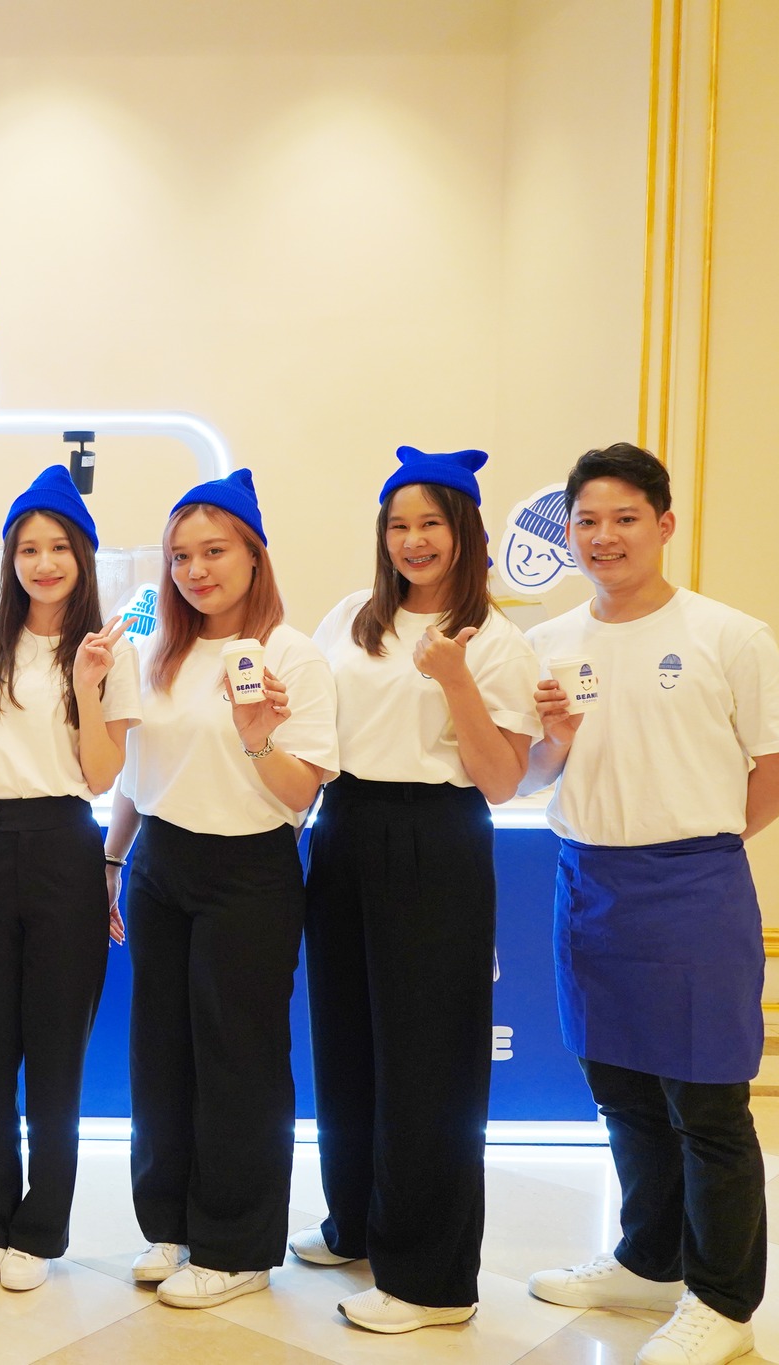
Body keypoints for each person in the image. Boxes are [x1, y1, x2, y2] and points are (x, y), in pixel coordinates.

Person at [521, 444, 779, 1365]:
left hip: (693, 887)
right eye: (587, 520)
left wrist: (704, 837)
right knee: (622, 1091)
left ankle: (723, 1301)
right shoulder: (549, 642)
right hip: (587, 881)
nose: (604, 536)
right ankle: (649, 1260)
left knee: (707, 1102)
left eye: (625, 518)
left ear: (665, 524)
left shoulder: (729, 634)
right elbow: (526, 773)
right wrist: (551, 745)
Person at [296, 446, 541, 1333]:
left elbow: (502, 778)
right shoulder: (351, 618)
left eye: (431, 523)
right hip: (345, 826)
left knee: (429, 1061)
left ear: (464, 532)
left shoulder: (497, 639)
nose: (413, 540)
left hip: (436, 835)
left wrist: (455, 679)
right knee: (348, 1041)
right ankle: (358, 1223)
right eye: (398, 525)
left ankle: (433, 1280)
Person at [105, 471, 338, 1312]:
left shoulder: (292, 654)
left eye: (214, 551)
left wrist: (257, 735)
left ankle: (237, 1245)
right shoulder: (157, 650)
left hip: (248, 870)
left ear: (253, 555)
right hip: (160, 862)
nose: (196, 570)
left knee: (239, 1061)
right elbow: (136, 772)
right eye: (180, 556)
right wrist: (112, 860)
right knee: (159, 1052)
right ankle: (170, 1222)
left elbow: (301, 791)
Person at [0, 466, 140, 1293]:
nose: (43, 563)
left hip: (64, 844)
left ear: (82, 555)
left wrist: (86, 685)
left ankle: (41, 1227)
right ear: (10, 558)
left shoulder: (108, 649)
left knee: (56, 1053)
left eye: (58, 547)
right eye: (27, 548)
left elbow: (101, 775)